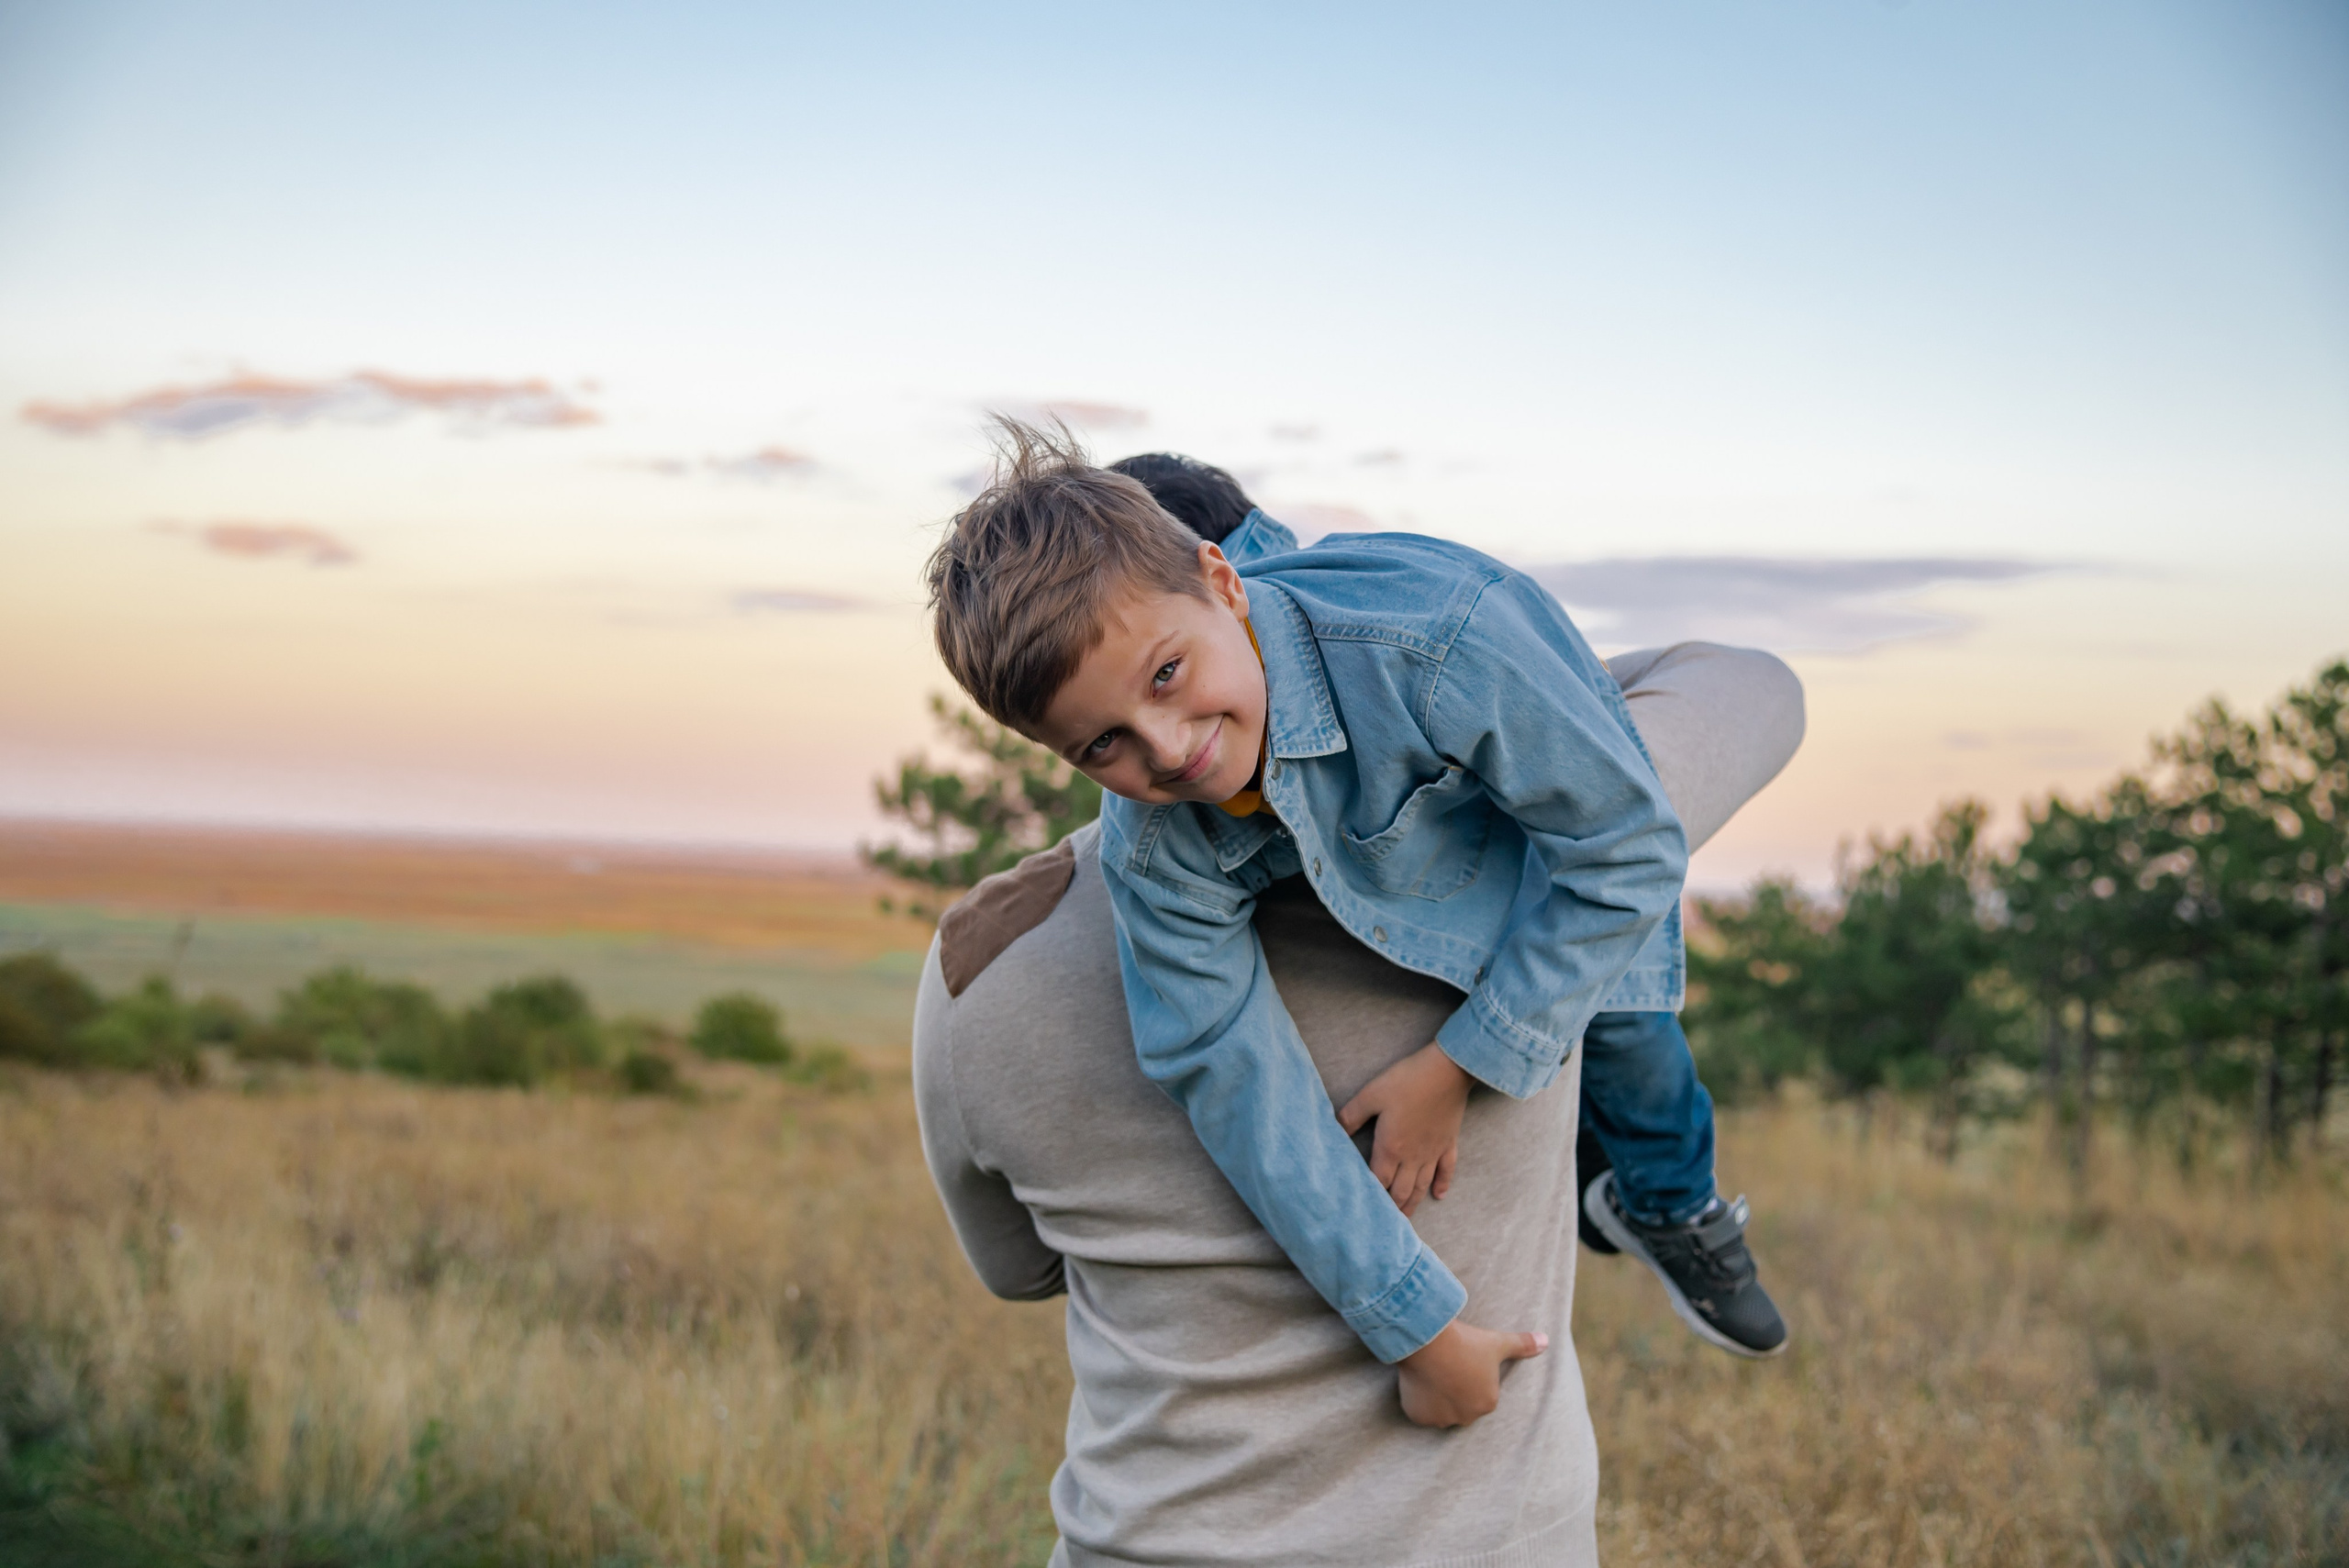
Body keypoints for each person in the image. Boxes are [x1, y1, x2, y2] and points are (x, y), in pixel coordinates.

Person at [911, 627, 1805, 1565]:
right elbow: (1756, 682)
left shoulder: (979, 963)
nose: (1172, 742)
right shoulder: (1505, 856)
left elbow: (1016, 1268)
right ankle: (1665, 1197)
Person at [1110, 453, 1798, 1360]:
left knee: (1625, 997)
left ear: (1226, 581)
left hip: (1502, 750)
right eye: (1102, 737)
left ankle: (1666, 1196)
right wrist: (1413, 1323)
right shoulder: (1162, 811)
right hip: (1415, 764)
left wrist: (1458, 1061)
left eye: (1168, 673)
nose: (1163, 745)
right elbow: (1219, 1059)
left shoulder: (1421, 643)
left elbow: (1621, 849)